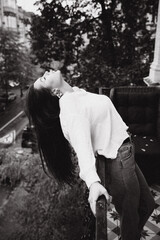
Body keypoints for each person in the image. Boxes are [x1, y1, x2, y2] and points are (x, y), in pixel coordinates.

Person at [25, 69, 155, 240]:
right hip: (118, 160)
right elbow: (82, 147)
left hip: (124, 154)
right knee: (131, 218)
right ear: (54, 92)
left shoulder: (76, 94)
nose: (47, 72)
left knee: (147, 206)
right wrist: (93, 183)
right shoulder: (70, 106)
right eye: (43, 78)